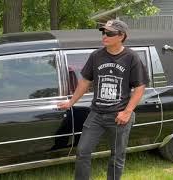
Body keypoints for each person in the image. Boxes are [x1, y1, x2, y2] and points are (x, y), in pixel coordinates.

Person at [57, 19, 149, 180]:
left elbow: (140, 88)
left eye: (109, 33)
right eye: (103, 32)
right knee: (82, 151)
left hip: (119, 116)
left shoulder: (131, 57)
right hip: (96, 114)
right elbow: (85, 81)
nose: (104, 36)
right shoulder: (96, 56)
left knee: (117, 156)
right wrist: (71, 102)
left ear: (121, 36)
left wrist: (127, 112)